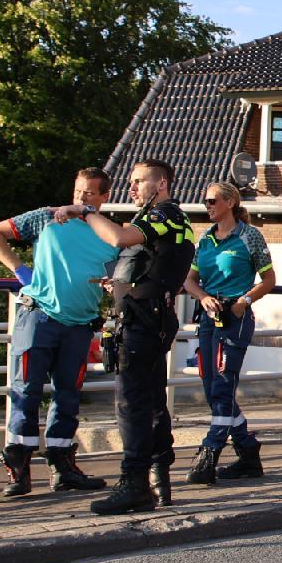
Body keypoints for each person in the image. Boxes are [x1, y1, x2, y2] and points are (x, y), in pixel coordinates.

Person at [53, 158, 196, 513]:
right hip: (148, 315)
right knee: (151, 401)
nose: (132, 188)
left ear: (161, 184)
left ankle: (135, 483)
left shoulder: (165, 215)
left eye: (138, 181)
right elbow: (154, 266)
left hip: (144, 321)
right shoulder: (167, 221)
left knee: (131, 403)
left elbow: (119, 237)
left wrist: (85, 210)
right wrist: (118, 283)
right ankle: (158, 478)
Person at [0, 167, 117, 498]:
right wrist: (20, 270)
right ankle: (18, 470)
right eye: (77, 192)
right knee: (26, 391)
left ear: (103, 198)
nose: (80, 199)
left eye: (88, 194)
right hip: (39, 318)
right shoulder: (46, 218)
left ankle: (62, 467)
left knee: (68, 394)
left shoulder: (109, 234)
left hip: (80, 324)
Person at [182, 182, 277, 486]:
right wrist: (202, 297)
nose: (207, 205)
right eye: (205, 201)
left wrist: (242, 302)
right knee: (211, 386)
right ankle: (248, 453)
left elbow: (269, 279)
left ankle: (210, 450)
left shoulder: (249, 236)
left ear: (230, 202)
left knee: (223, 385)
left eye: (211, 201)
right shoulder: (205, 240)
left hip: (235, 318)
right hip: (210, 318)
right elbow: (190, 280)